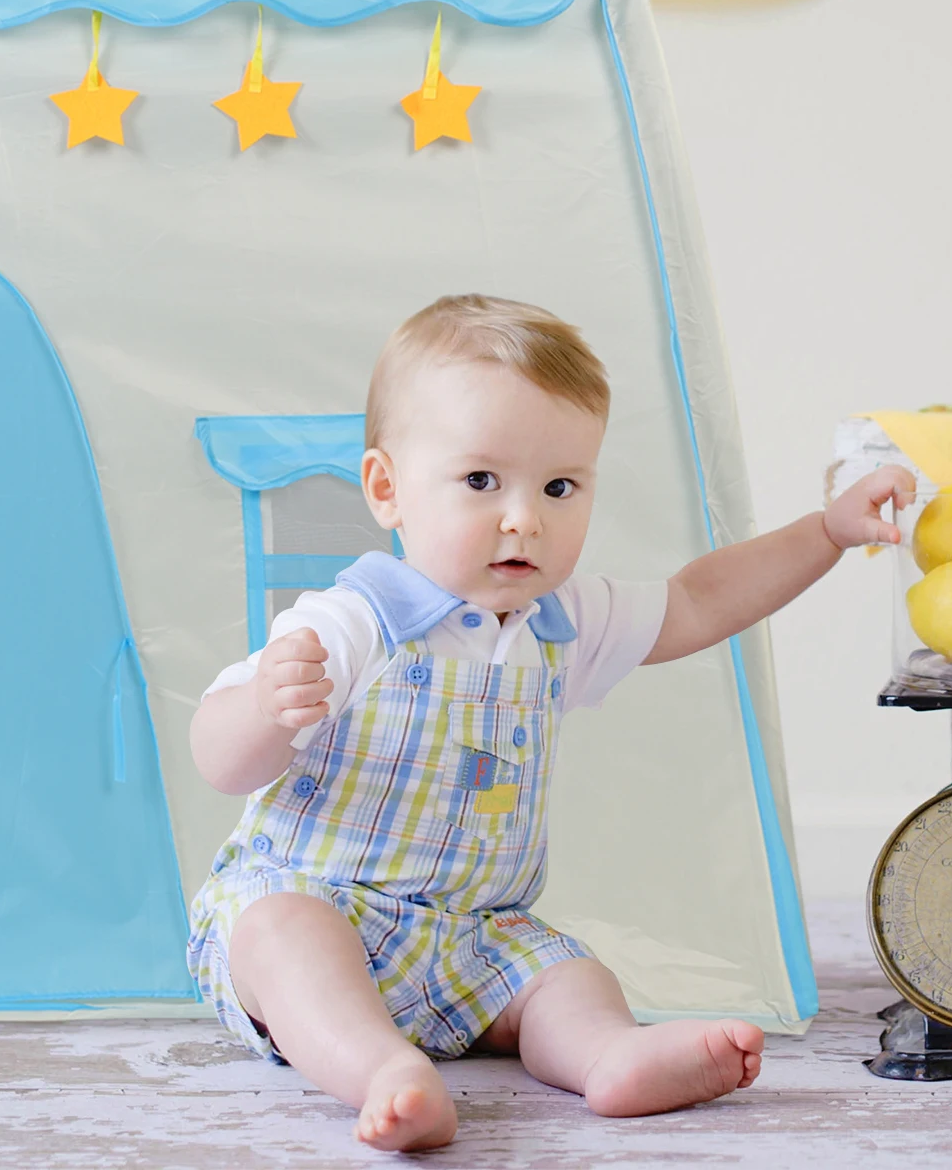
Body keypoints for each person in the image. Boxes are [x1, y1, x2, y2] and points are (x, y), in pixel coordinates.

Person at [187, 294, 910, 1152]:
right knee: (282, 937)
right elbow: (218, 759)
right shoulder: (354, 622)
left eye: (559, 486)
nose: (524, 516)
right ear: (387, 488)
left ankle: (609, 1056)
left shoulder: (558, 622)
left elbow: (699, 598)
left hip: (472, 936)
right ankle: (380, 1068)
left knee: (565, 975)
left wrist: (827, 532)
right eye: (482, 481)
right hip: (321, 904)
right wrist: (267, 711)